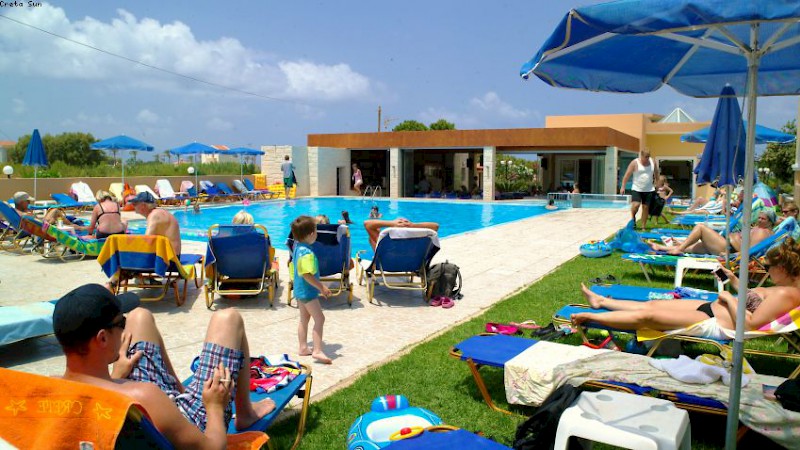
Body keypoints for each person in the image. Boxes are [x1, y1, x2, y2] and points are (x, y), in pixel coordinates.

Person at [54, 283, 275, 449]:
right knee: (228, 319)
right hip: (194, 426)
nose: (123, 330)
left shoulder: (51, 390)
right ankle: (245, 412)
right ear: (102, 338)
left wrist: (116, 376)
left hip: (145, 411)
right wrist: (215, 407)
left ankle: (180, 390)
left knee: (139, 316)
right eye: (120, 323)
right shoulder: (143, 396)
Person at [572, 238, 800, 338]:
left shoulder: (785, 294)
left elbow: (749, 325)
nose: (767, 270)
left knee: (648, 316)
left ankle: (591, 317)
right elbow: (753, 302)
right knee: (653, 304)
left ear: (783, 268)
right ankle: (602, 301)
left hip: (715, 322)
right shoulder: (784, 288)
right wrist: (732, 280)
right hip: (712, 308)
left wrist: (728, 298)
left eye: (769, 266)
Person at [290, 216, 333, 364]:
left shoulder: (297, 247)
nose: (316, 234)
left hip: (299, 291)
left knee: (304, 319)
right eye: (316, 231)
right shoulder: (307, 253)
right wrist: (321, 287)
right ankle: (317, 350)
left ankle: (303, 347)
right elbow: (307, 274)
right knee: (320, 319)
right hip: (308, 292)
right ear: (311, 234)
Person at [650, 210, 776, 256]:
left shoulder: (762, 232)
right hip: (725, 245)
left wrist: (732, 256)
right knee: (692, 248)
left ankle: (679, 248)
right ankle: (661, 247)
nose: (759, 220)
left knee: (700, 228)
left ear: (770, 222)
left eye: (763, 219)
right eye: (759, 217)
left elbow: (750, 250)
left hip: (728, 248)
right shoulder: (760, 229)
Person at [620, 149, 659, 230]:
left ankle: (643, 226)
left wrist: (657, 183)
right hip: (637, 188)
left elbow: (656, 173)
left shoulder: (652, 162)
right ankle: (633, 218)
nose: (647, 159)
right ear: (641, 156)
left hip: (649, 189)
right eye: (645, 157)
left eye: (648, 157)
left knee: (645, 207)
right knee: (636, 205)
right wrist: (623, 186)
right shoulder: (635, 163)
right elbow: (627, 175)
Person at [364, 218, 440, 250]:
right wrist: (412, 225)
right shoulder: (416, 240)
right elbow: (435, 226)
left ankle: (375, 264)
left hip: (387, 263)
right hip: (412, 263)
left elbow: (367, 224)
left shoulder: (387, 244)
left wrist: (392, 223)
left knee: (371, 238)